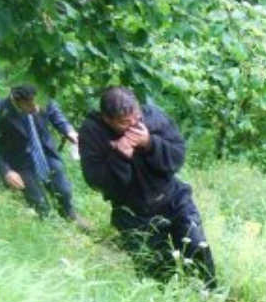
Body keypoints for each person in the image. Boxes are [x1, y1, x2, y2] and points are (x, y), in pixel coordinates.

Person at [79, 86, 216, 286]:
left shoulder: (153, 116)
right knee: (155, 272)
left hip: (174, 199)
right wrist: (119, 157)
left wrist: (150, 143)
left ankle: (210, 295)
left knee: (196, 248)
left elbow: (178, 156)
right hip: (133, 212)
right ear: (107, 119)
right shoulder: (93, 133)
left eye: (136, 117)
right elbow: (96, 182)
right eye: (123, 123)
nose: (133, 125)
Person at [0, 84, 90, 228]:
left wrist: (68, 130)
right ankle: (53, 230)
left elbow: (54, 112)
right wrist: (6, 171)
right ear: (16, 99)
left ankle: (69, 214)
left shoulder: (41, 93)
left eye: (38, 102)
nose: (36, 108)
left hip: (43, 150)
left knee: (63, 189)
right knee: (39, 203)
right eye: (29, 104)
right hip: (17, 160)